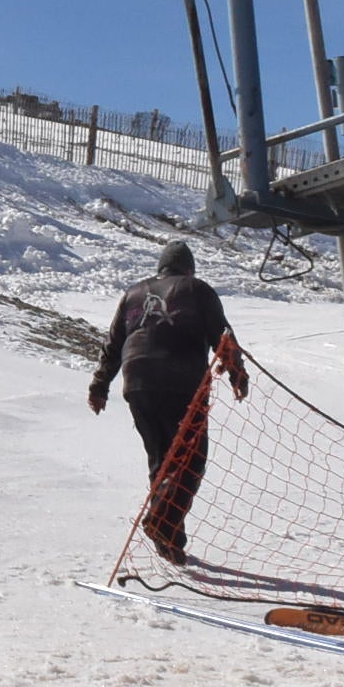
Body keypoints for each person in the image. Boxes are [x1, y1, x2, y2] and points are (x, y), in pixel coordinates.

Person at [88, 240, 247, 563]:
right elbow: (222, 335)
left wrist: (99, 385)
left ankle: (170, 540)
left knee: (163, 461)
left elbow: (114, 343)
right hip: (181, 381)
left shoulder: (133, 293)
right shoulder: (196, 288)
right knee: (190, 459)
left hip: (138, 382)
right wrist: (237, 374)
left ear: (161, 268)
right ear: (188, 269)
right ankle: (161, 523)